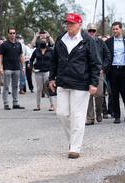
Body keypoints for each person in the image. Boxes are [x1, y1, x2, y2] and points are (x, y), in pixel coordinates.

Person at [49, 13, 101, 159]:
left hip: (81, 83)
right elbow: (54, 61)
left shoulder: (87, 40)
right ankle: (72, 141)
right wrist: (52, 78)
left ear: (79, 24)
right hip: (63, 81)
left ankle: (75, 148)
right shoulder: (61, 39)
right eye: (67, 23)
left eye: (72, 23)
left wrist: (93, 83)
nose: (69, 26)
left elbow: (95, 63)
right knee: (62, 114)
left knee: (77, 116)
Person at [85, 23, 111, 125]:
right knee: (88, 95)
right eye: (89, 31)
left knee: (99, 94)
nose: (91, 32)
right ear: (87, 31)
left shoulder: (100, 42)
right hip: (86, 72)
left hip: (98, 72)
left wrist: (102, 68)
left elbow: (107, 56)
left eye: (93, 31)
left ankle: (99, 112)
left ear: (96, 32)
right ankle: (90, 117)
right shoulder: (83, 42)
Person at [0, 27, 25, 110]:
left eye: (14, 33)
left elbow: (21, 55)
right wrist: (0, 67)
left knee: (15, 86)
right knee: (6, 86)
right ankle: (6, 103)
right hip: (7, 68)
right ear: (8, 34)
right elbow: (0, 56)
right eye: (11, 33)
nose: (12, 34)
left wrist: (23, 66)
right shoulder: (4, 45)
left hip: (17, 68)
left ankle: (15, 103)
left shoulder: (18, 44)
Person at [30, 39, 55, 111]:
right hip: (38, 72)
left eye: (44, 41)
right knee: (39, 89)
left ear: (47, 42)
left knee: (49, 88)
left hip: (47, 71)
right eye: (41, 41)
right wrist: (32, 68)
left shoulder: (51, 50)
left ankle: (52, 105)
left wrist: (54, 70)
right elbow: (31, 60)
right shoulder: (36, 50)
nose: (43, 42)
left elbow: (55, 61)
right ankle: (38, 105)